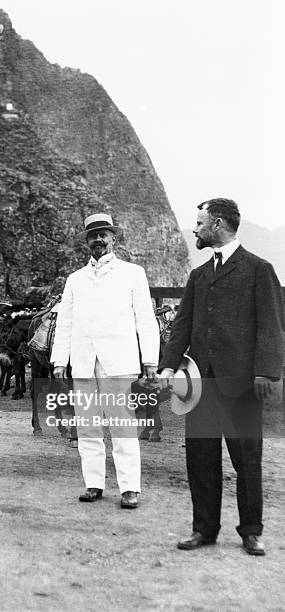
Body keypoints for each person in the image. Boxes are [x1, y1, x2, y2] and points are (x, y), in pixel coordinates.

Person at [160, 198, 284, 555]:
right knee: (200, 457)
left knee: (247, 459)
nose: (195, 229)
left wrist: (265, 372)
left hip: (243, 384)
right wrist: (169, 366)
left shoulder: (258, 269)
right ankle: (204, 529)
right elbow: (182, 324)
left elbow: (272, 326)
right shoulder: (198, 276)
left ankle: (251, 531)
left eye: (200, 223)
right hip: (199, 385)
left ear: (217, 224)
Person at [51, 213, 160, 507]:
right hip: (84, 363)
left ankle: (129, 488)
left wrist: (150, 359)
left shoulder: (132, 273)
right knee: (87, 426)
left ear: (114, 238)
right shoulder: (75, 279)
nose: (98, 240)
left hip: (119, 362)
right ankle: (94, 484)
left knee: (122, 424)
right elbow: (66, 322)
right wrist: (60, 360)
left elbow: (146, 320)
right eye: (93, 235)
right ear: (86, 241)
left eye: (104, 234)